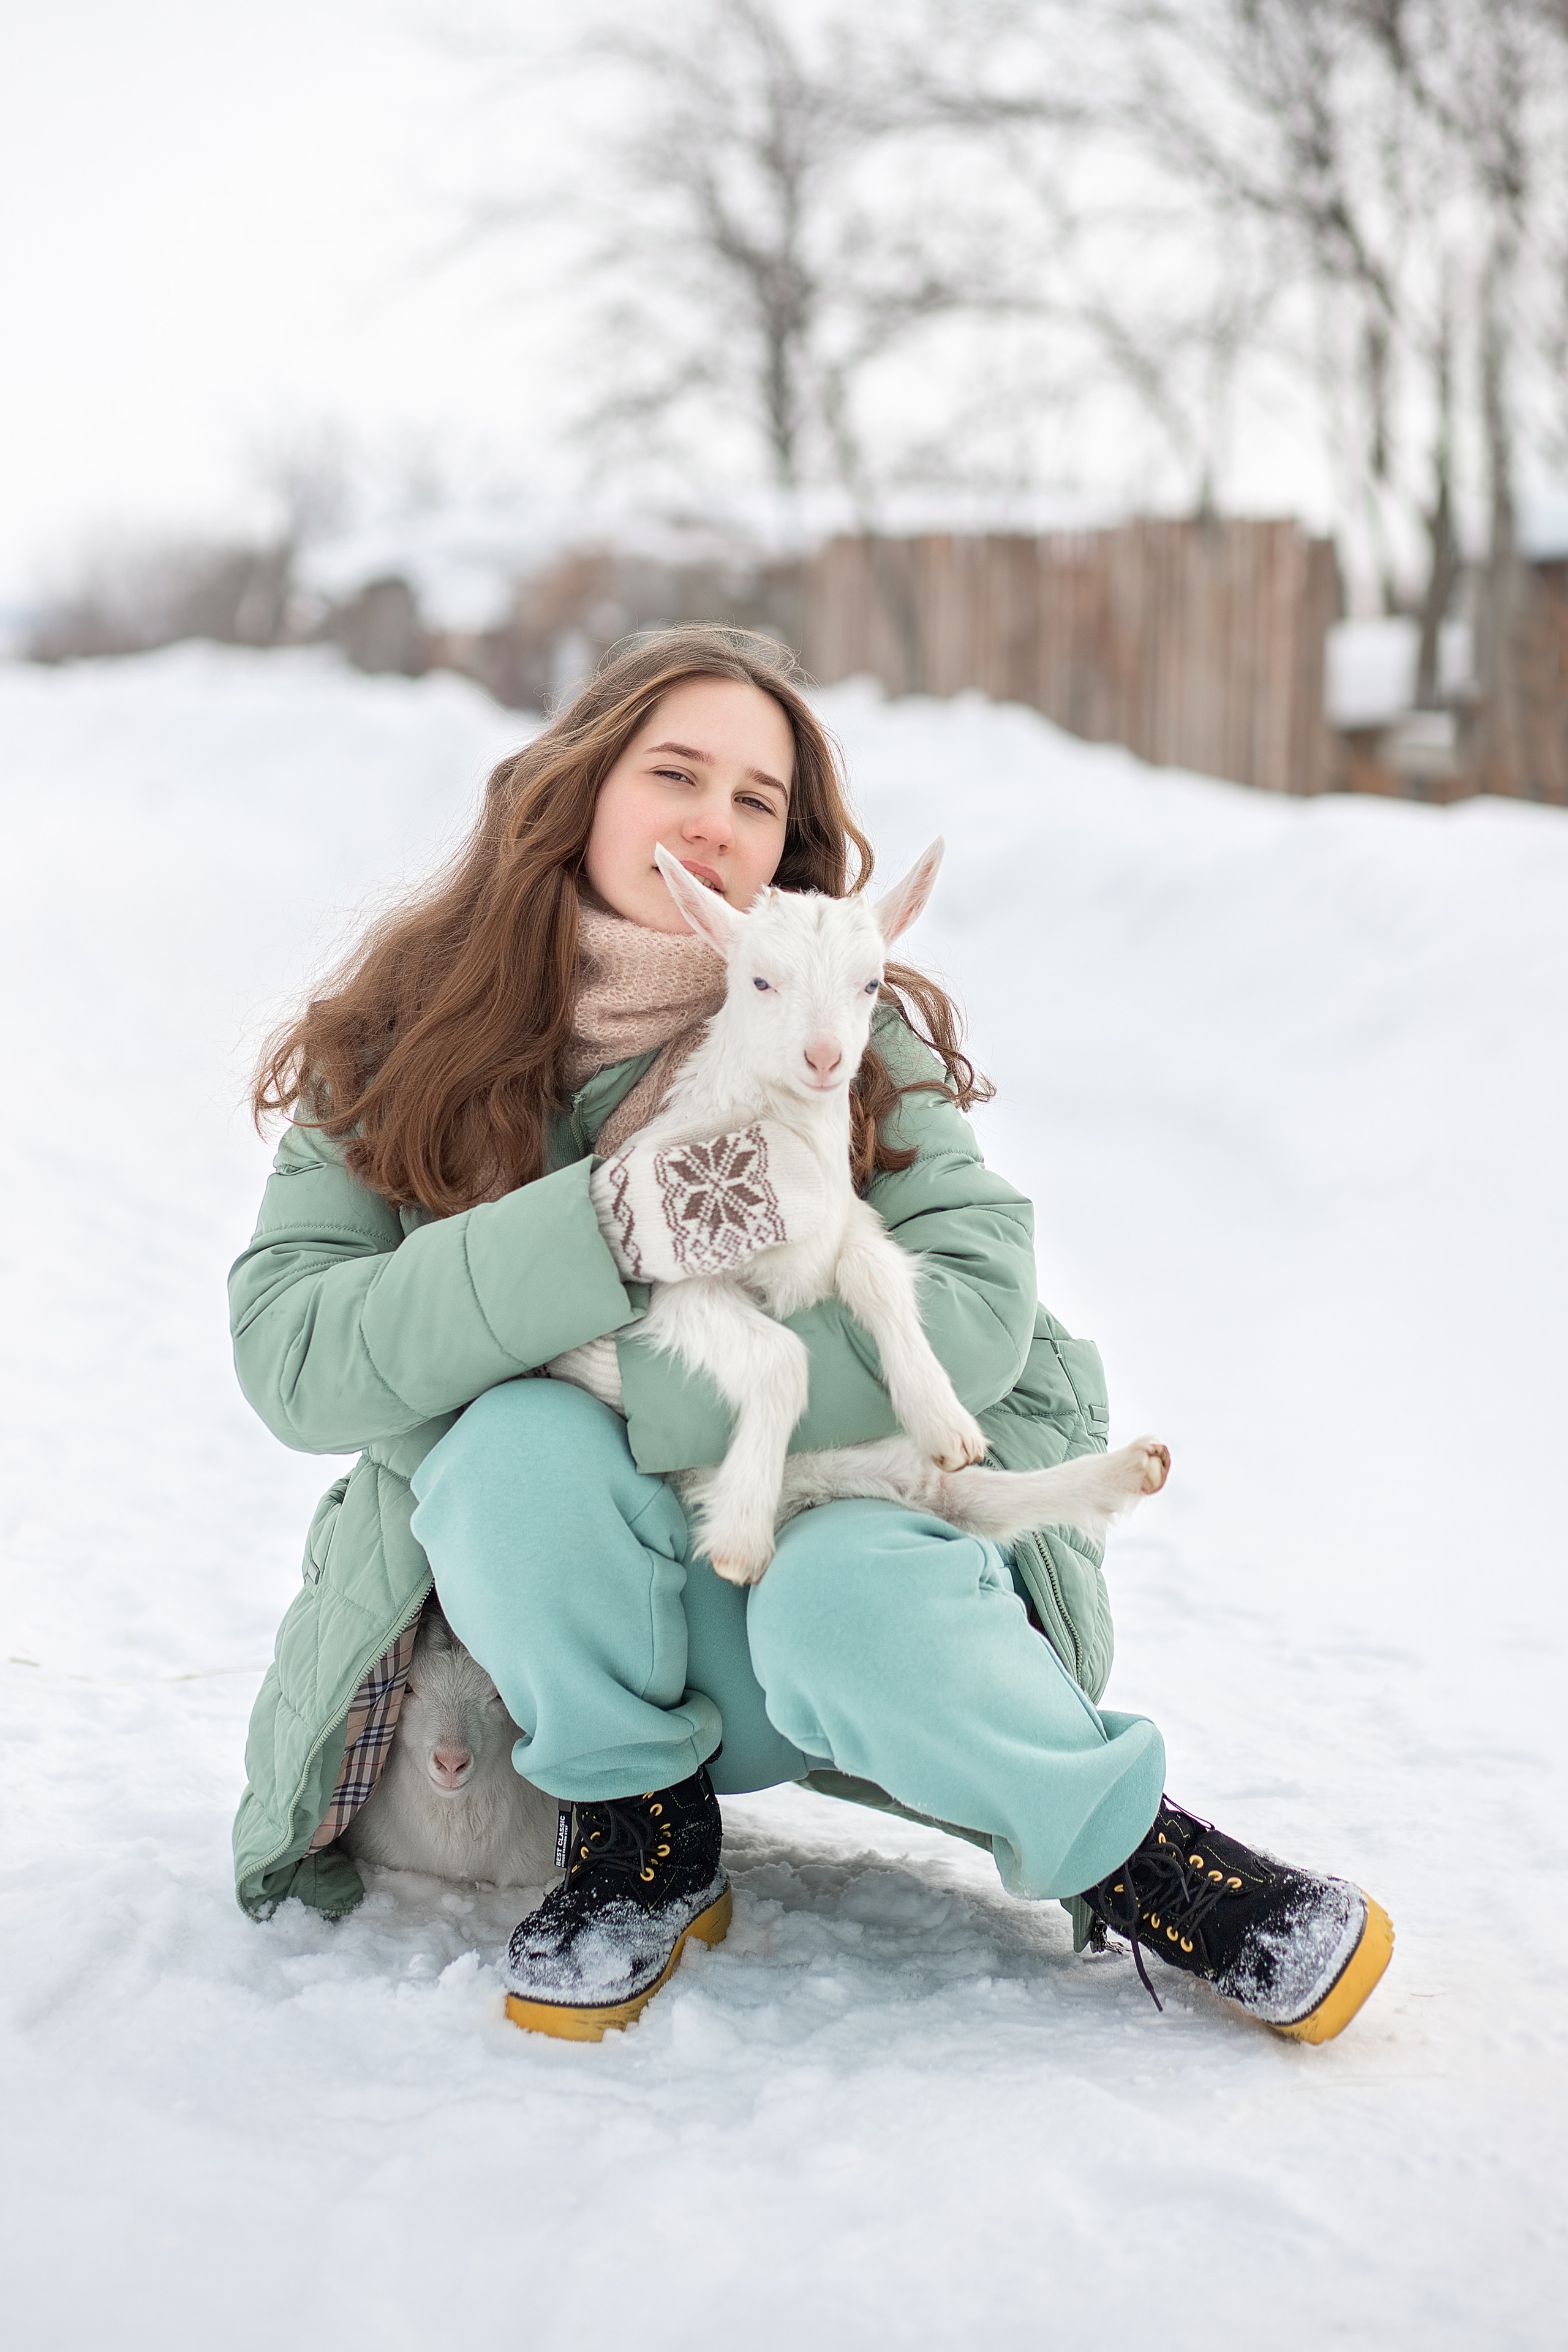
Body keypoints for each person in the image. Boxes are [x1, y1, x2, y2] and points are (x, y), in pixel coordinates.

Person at [230, 625, 1393, 2046]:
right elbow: (297, 1356)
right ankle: (634, 1834)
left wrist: (646, 1392)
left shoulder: (848, 1030)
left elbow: (975, 1306)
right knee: (510, 1452)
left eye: (756, 800)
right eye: (674, 774)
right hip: (561, 1620)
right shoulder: (401, 1041)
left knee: (840, 1585)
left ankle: (1131, 1852)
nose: (712, 823)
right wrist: (602, 1232)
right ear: (581, 788)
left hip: (810, 1587)